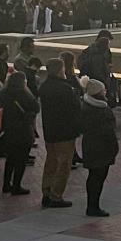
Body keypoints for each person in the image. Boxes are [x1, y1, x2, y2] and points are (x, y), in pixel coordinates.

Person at [38, 58, 82, 208]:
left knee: (51, 162)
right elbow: (76, 107)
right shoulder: (65, 88)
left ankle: (46, 191)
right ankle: (56, 195)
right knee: (64, 164)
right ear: (59, 70)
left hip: (50, 130)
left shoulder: (44, 87)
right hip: (65, 131)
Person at [79, 76, 117, 217]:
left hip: (92, 145)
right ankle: (93, 206)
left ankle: (92, 204)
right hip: (100, 147)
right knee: (97, 177)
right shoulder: (100, 109)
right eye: (103, 90)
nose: (106, 92)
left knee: (94, 176)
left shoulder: (87, 106)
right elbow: (107, 130)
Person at [1, 71, 39, 195]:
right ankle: (17, 186)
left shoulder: (4, 93)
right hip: (23, 130)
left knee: (10, 159)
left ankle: (6, 184)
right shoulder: (24, 94)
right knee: (21, 160)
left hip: (9, 129)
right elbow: (36, 107)